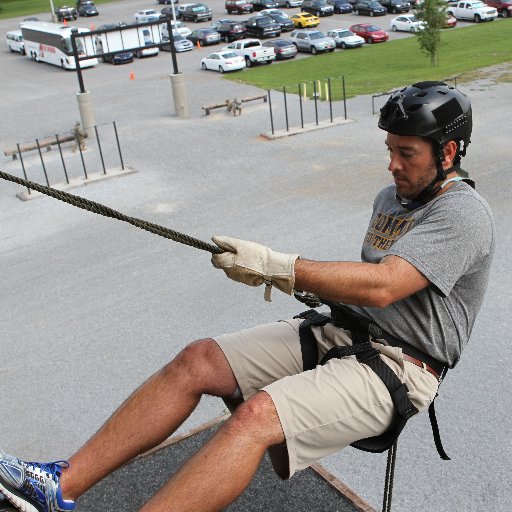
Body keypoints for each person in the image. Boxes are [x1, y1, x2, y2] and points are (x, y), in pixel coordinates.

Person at [0, 81, 495, 512]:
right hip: (346, 331)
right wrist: (279, 274)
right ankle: (56, 487)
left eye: (407, 153)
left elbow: (385, 284)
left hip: (403, 366)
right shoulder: (391, 199)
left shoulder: (462, 214)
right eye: (389, 149)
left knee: (256, 417)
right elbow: (362, 289)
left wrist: (276, 267)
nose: (392, 165)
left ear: (448, 154)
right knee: (198, 360)